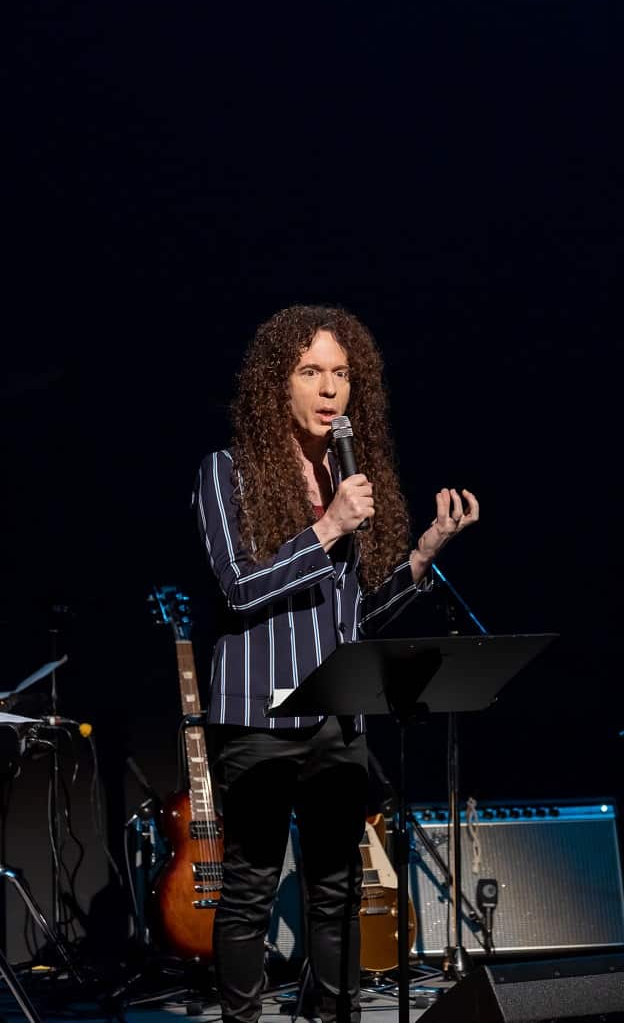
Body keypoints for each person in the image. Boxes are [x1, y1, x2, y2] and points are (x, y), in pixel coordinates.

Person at [193, 304, 479, 1023]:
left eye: (342, 374)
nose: (329, 389)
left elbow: (353, 623)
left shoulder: (350, 482)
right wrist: (326, 529)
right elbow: (237, 587)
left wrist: (420, 556)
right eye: (311, 372)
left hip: (337, 717)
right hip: (258, 714)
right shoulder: (227, 472)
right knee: (252, 885)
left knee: (337, 889)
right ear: (275, 386)